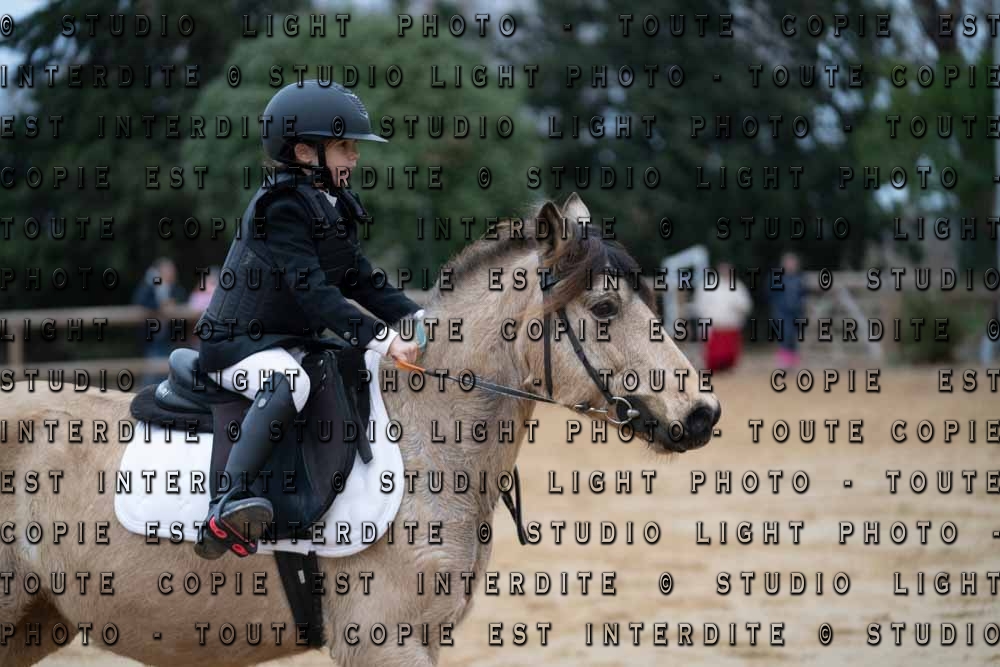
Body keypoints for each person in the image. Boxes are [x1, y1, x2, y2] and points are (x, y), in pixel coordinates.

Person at [193, 80, 423, 560]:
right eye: (344, 146)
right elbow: (316, 294)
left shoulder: (330, 202)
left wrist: (420, 317)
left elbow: (359, 278)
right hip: (236, 345)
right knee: (289, 383)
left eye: (354, 146)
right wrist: (384, 339)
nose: (355, 156)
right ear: (304, 152)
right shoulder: (280, 208)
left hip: (281, 339)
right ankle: (226, 506)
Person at [132, 257, 187, 386]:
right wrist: (160, 304)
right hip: (153, 339)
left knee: (168, 373)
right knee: (152, 374)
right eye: (168, 271)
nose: (171, 274)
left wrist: (171, 304)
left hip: (170, 338)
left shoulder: (175, 289)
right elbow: (140, 301)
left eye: (172, 271)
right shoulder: (150, 287)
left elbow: (182, 301)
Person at [693, 262, 752, 372]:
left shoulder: (738, 286)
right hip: (714, 327)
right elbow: (700, 305)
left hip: (731, 326)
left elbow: (745, 305)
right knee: (713, 356)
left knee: (729, 355)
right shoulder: (708, 285)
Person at [770, 252, 806, 368]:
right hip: (782, 313)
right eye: (788, 263)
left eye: (793, 263)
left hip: (797, 313)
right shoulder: (777, 278)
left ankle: (793, 363)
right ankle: (783, 362)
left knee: (794, 338)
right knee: (784, 336)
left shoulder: (800, 278)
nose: (791, 265)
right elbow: (771, 295)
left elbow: (804, 294)